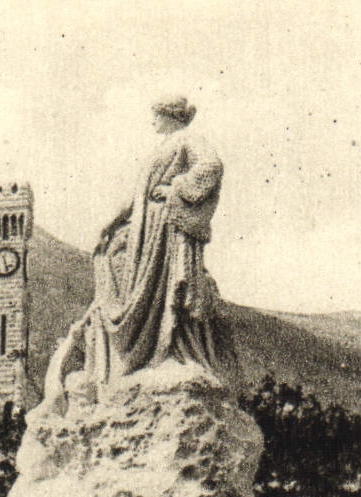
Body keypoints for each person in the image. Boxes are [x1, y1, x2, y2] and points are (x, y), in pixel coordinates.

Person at [46, 95, 235, 414]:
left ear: (170, 115)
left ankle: (167, 351)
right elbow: (137, 195)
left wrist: (177, 188)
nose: (152, 121)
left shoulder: (188, 139)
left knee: (163, 288)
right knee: (110, 255)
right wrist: (113, 221)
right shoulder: (163, 147)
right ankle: (133, 353)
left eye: (155, 115)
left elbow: (212, 166)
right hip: (145, 231)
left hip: (164, 228)